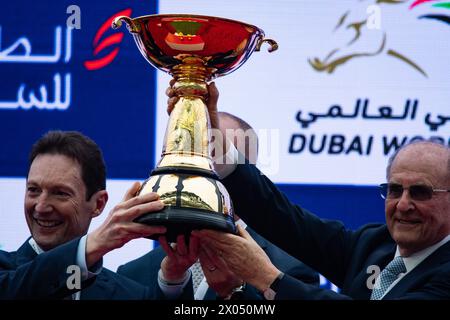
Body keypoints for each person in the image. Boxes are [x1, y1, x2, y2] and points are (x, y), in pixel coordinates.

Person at [165, 83, 450, 300]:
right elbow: (284, 218)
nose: (403, 204)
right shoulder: (373, 244)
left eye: (420, 192)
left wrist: (267, 277)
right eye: (394, 190)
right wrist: (212, 138)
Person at [117, 110, 319, 300]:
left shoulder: (289, 271)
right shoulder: (132, 274)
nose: (207, 173)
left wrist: (237, 293)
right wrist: (170, 286)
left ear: (249, 175)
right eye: (197, 159)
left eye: (223, 163)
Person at [0, 131, 166, 299]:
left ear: (98, 204)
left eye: (60, 193)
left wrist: (173, 281)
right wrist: (96, 242)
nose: (41, 207)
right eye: (33, 190)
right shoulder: (6, 277)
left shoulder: (130, 294)